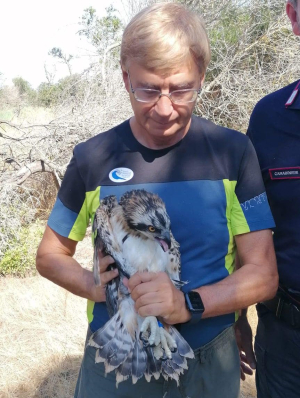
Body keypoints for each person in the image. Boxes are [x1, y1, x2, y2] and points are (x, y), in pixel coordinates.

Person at [36, 3, 278, 398]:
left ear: (201, 76)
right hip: (115, 355)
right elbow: (49, 255)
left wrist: (188, 305)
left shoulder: (233, 153)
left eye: (181, 88)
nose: (164, 109)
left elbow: (263, 275)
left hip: (207, 355)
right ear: (125, 76)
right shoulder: (92, 158)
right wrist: (91, 284)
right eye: (147, 89)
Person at [235, 1, 300, 397]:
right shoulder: (268, 118)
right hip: (284, 340)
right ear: (294, 16)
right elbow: (249, 222)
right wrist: (237, 314)